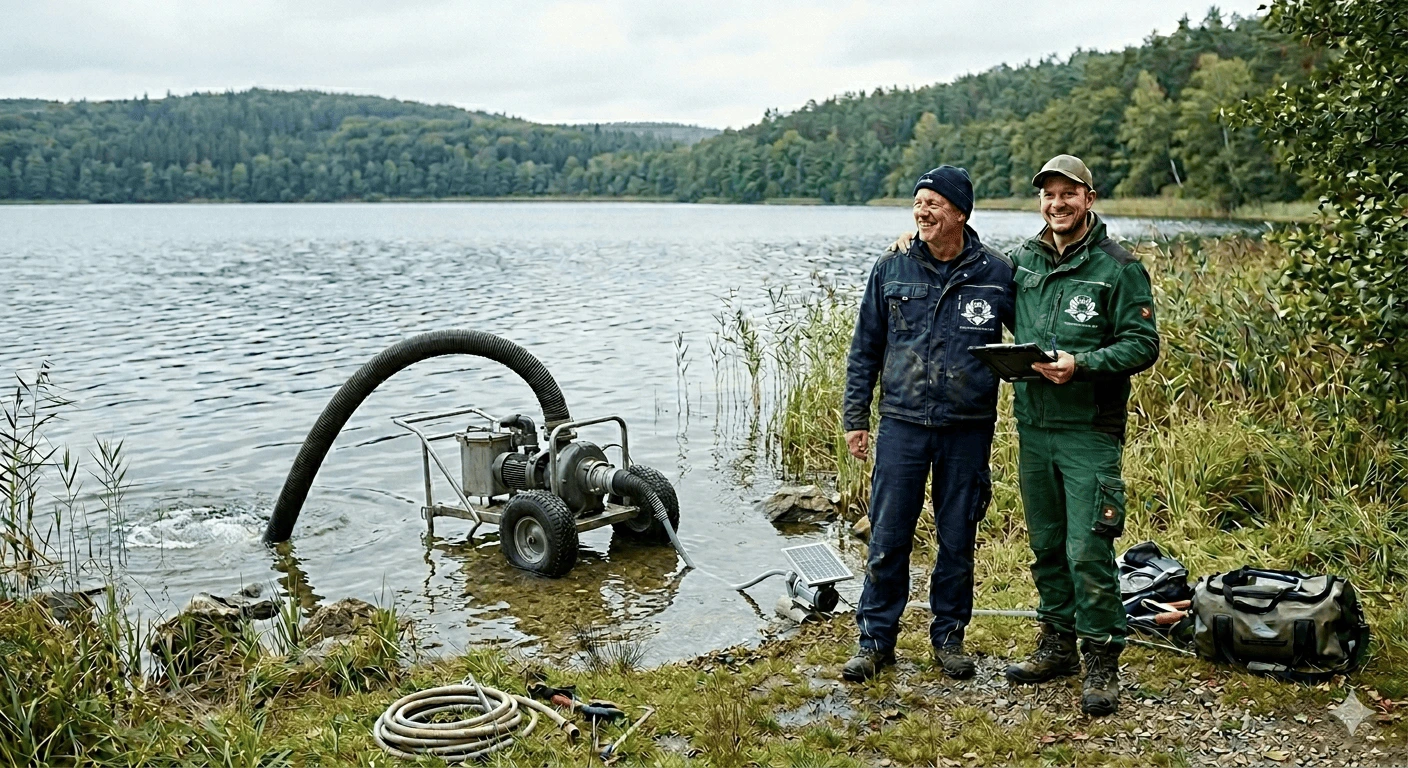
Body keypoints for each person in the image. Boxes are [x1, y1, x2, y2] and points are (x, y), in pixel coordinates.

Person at [840, 166, 1014, 682]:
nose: (922, 211)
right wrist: (856, 418)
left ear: (961, 212)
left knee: (957, 538)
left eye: (934, 203)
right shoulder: (891, 267)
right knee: (889, 537)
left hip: (968, 426)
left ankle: (949, 638)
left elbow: (1030, 336)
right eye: (917, 203)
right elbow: (864, 348)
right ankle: (875, 641)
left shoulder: (997, 271)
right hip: (902, 425)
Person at [1001, 154, 1160, 716]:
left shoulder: (1118, 267)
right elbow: (967, 274)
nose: (1057, 204)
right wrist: (915, 244)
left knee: (1087, 548)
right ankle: (1056, 644)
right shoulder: (1021, 261)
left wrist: (1083, 363)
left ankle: (1101, 659)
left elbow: (1143, 345)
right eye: (1048, 194)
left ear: (1089, 198)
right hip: (1034, 425)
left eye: (1069, 193)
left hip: (1089, 429)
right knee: (1045, 543)